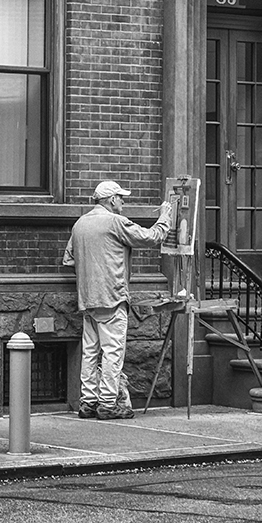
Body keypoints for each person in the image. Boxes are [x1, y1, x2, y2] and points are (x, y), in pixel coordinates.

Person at [63, 180, 173, 420]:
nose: (123, 202)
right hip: (111, 296)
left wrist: (92, 266)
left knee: (90, 353)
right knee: (112, 353)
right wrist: (165, 216)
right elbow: (150, 237)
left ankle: (88, 402)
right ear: (112, 199)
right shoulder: (115, 222)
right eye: (121, 197)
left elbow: (69, 259)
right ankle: (108, 403)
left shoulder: (80, 224)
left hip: (87, 299)